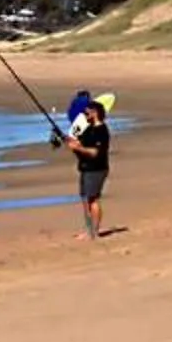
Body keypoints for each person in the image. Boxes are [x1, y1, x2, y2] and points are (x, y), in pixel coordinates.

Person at [59, 99, 111, 239]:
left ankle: (95, 231)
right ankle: (89, 231)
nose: (84, 115)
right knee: (85, 199)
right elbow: (79, 143)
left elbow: (95, 152)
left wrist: (79, 148)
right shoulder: (88, 128)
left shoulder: (102, 131)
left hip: (97, 169)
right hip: (85, 168)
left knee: (93, 199)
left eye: (86, 113)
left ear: (95, 113)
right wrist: (67, 140)